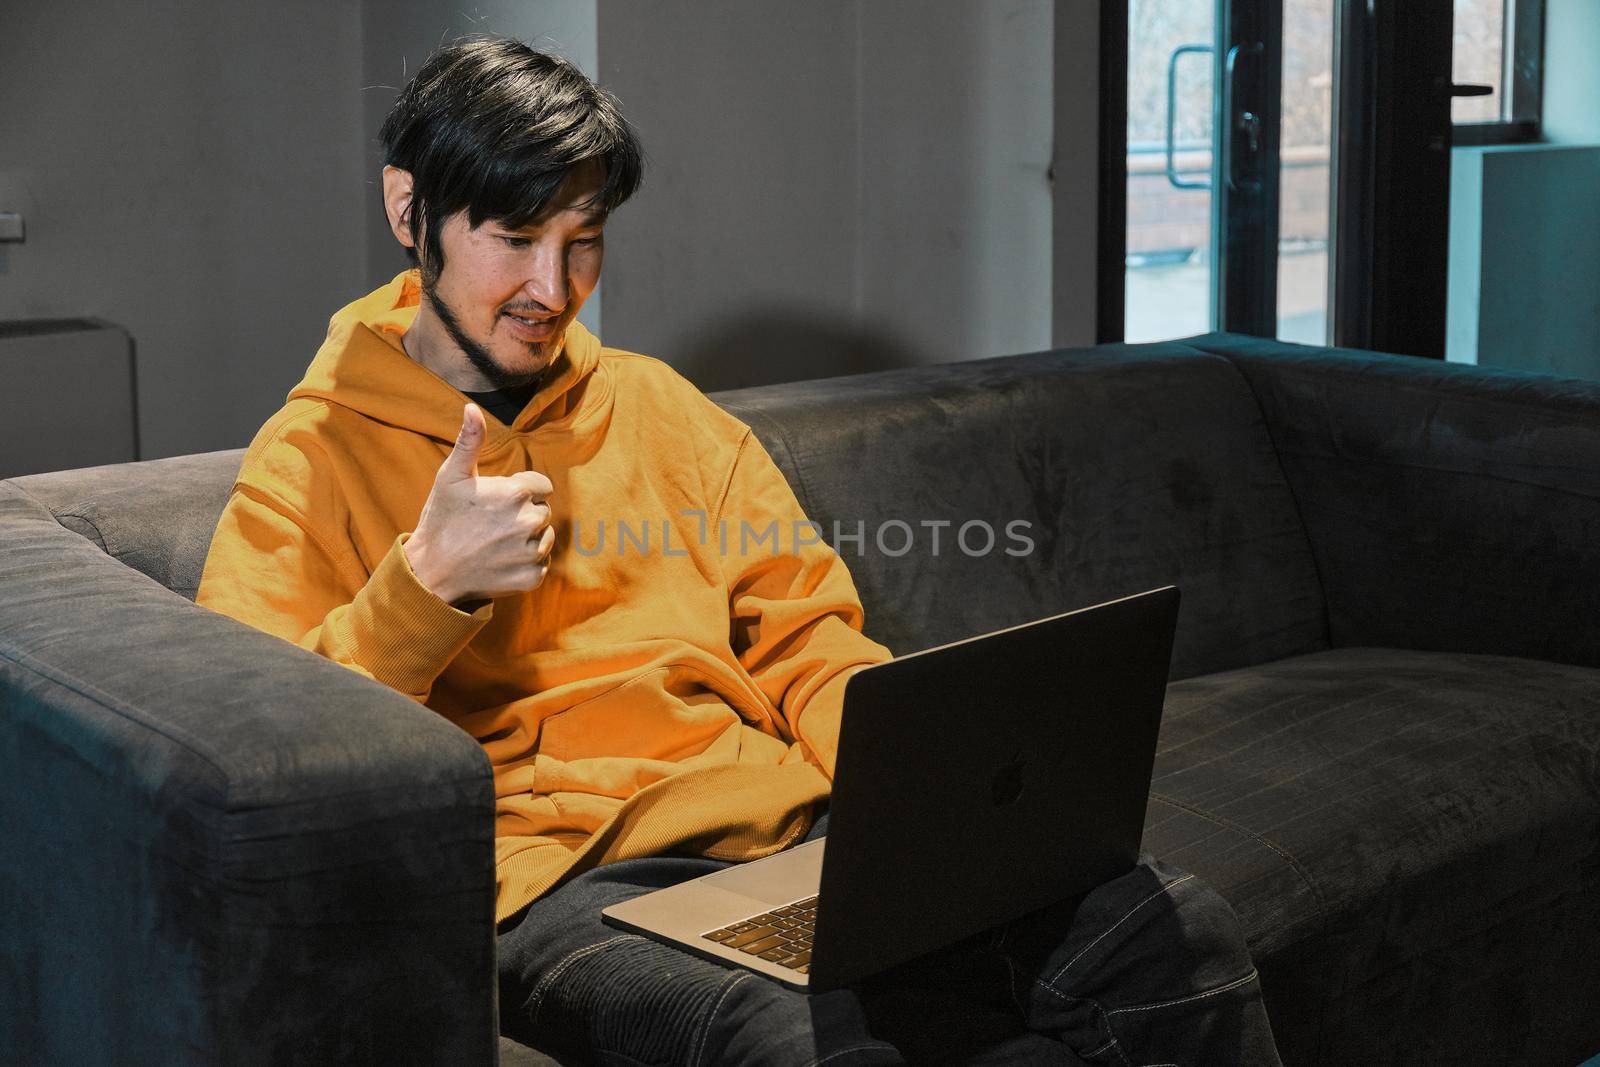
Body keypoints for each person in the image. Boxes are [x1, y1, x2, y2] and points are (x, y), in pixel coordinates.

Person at [196, 36, 1281, 1065]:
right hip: (557, 886)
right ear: (409, 209)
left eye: (583, 238)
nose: (553, 287)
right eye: (513, 237)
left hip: (786, 832)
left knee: (1167, 928)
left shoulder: (661, 409)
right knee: (787, 1036)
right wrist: (422, 586)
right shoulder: (309, 454)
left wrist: (911, 792)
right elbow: (260, 767)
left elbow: (808, 634)